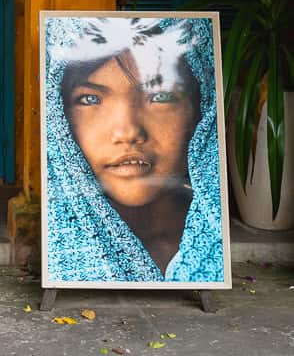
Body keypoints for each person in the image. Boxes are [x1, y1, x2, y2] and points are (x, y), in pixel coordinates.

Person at [44, 14, 227, 283]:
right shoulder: (60, 256)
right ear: (61, 118)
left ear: (200, 110)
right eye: (90, 98)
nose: (127, 132)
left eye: (161, 96)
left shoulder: (215, 239)